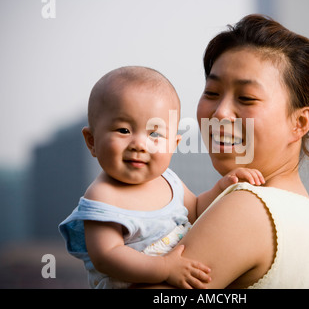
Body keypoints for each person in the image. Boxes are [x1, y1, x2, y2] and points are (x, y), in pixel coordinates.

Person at [143, 14, 309, 289]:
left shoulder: (247, 207)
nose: (220, 113)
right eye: (212, 92)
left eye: (246, 98)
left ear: (299, 122)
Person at [59, 66, 265, 289]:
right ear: (91, 140)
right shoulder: (103, 196)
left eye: (154, 134)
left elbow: (196, 210)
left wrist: (223, 187)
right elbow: (107, 256)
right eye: (124, 130)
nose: (139, 144)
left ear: (173, 145)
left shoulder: (169, 181)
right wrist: (165, 268)